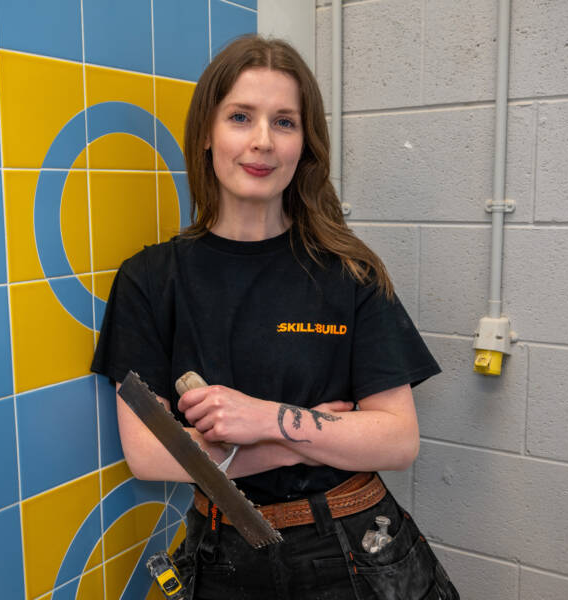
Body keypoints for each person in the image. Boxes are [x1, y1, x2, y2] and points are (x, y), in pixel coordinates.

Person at [91, 35, 458, 600]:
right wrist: (308, 433)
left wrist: (262, 417)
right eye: (240, 117)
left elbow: (398, 440)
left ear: (304, 144)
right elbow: (148, 454)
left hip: (359, 550)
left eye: (284, 122)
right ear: (207, 134)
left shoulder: (349, 272)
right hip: (222, 557)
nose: (262, 141)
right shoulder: (151, 279)